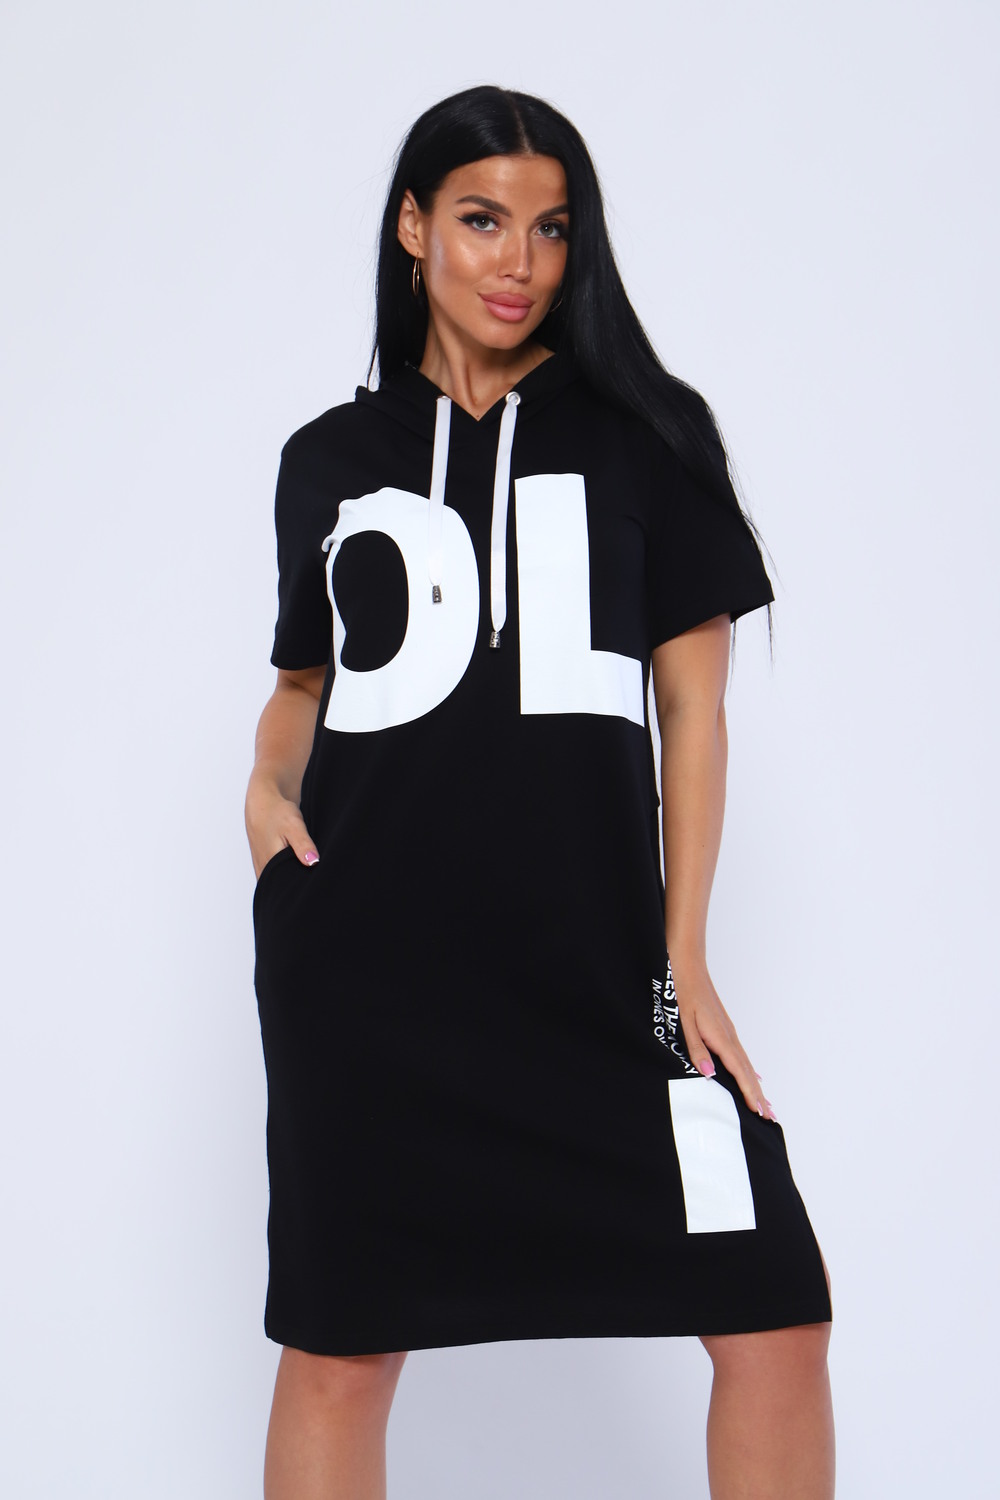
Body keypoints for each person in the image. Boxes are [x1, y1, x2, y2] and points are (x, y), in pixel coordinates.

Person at [245, 84, 835, 1500]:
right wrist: (265, 787)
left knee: (775, 1312)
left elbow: (694, 714)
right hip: (366, 974)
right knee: (339, 1349)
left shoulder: (648, 437)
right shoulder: (329, 460)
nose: (519, 262)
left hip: (601, 976)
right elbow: (305, 684)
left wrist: (683, 964)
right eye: (481, 221)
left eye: (552, 229)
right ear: (413, 228)